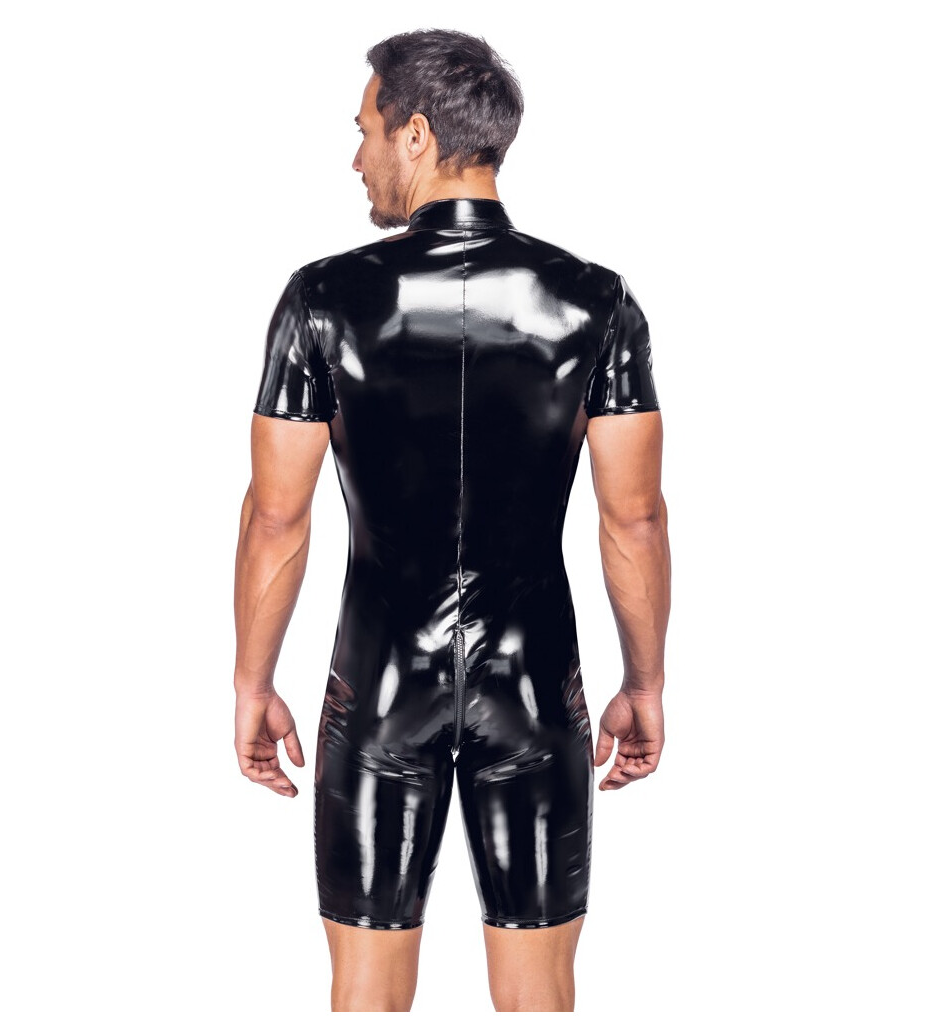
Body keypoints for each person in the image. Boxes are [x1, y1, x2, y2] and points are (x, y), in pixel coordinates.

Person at [233, 28, 671, 1013]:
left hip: (380, 683)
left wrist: (252, 682)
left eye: (364, 130)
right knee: (539, 994)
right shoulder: (595, 301)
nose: (356, 157)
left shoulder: (323, 298)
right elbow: (634, 519)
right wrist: (643, 682)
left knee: (366, 994)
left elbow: (275, 519)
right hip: (534, 683)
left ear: (416, 134)